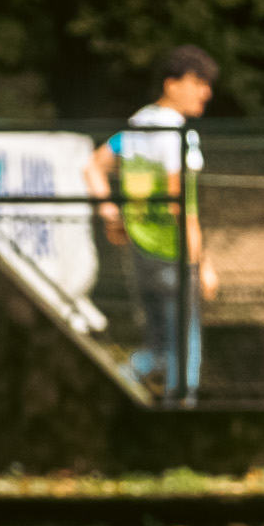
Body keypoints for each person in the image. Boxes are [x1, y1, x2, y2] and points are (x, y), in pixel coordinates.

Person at [82, 46, 221, 400]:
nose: (205, 91)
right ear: (171, 84)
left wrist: (109, 212)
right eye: (197, 82)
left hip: (142, 252)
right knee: (184, 350)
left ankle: (110, 382)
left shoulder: (137, 125)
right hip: (174, 254)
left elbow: (93, 166)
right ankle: (180, 419)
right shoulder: (177, 134)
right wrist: (201, 262)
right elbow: (180, 204)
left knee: (158, 347)